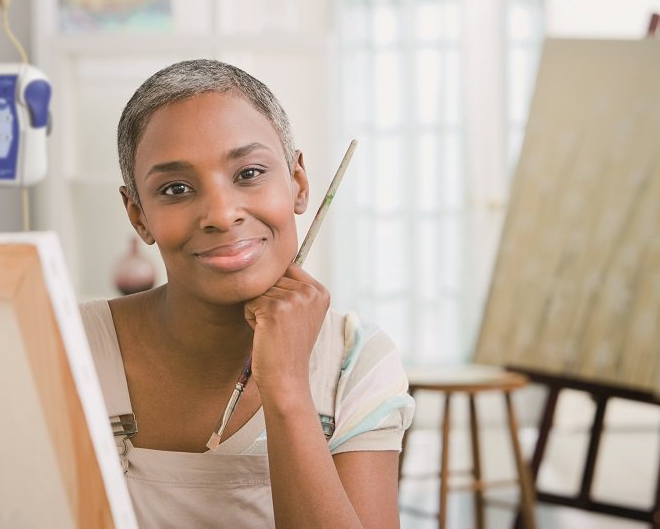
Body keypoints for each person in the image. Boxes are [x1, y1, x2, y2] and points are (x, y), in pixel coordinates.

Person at [80, 59, 414, 528]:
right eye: (176, 188)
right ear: (138, 216)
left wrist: (287, 388)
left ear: (298, 183)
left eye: (249, 173)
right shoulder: (69, 347)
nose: (220, 213)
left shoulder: (354, 361)